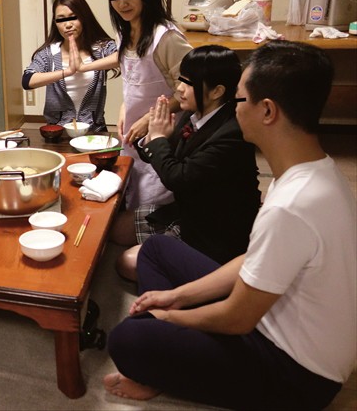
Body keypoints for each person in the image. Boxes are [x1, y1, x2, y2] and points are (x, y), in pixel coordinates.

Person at [104, 40, 357, 410]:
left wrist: (170, 317)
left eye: (239, 99)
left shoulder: (290, 206)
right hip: (274, 321)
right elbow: (253, 260)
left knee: (128, 339)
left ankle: (159, 365)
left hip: (296, 374)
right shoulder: (316, 172)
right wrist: (176, 297)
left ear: (267, 110)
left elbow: (237, 317)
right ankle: (164, 347)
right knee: (155, 250)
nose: (234, 109)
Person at [112, 45, 261, 281]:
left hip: (213, 231)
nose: (179, 88)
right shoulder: (197, 114)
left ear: (216, 91)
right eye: (181, 79)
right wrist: (152, 137)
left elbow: (177, 178)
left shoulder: (231, 133)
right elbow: (164, 156)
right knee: (115, 228)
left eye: (188, 83)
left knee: (128, 262)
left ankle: (203, 280)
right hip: (187, 211)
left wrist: (158, 138)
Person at [84, 0, 193, 210]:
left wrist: (148, 119)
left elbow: (191, 91)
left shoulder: (166, 38)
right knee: (126, 194)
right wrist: (125, 108)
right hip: (133, 136)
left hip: (163, 136)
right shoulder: (124, 31)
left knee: (152, 204)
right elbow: (133, 80)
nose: (121, 3)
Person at [22, 0, 117, 131]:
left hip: (94, 130)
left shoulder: (102, 48)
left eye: (73, 17)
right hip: (58, 131)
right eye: (61, 20)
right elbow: (27, 80)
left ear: (84, 17)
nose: (67, 25)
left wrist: (84, 67)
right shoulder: (49, 53)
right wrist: (67, 71)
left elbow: (123, 57)